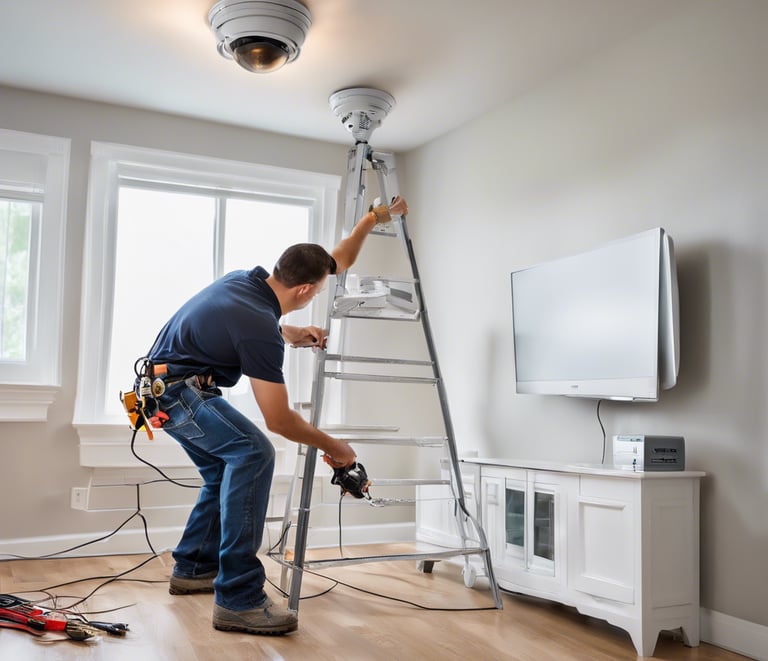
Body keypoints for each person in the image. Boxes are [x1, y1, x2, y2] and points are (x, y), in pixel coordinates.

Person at [139, 195, 408, 636]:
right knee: (254, 452)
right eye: (319, 290)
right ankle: (239, 599)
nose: (318, 293)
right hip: (176, 395)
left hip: (164, 390)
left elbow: (334, 260)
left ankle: (194, 566)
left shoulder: (248, 281)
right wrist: (336, 447)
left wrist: (373, 219)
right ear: (304, 289)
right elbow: (279, 421)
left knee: (224, 470)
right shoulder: (258, 328)